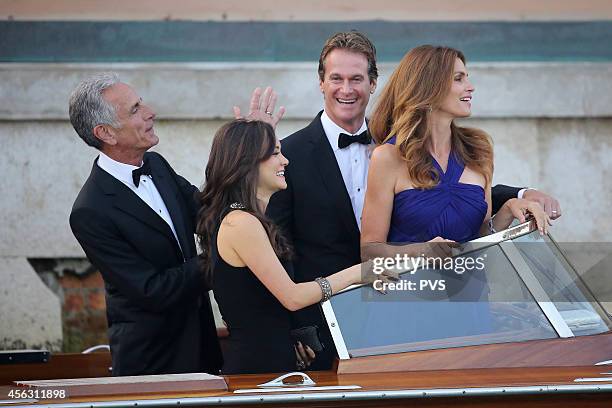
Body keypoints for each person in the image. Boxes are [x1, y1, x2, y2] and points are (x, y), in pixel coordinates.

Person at [266, 31, 561, 370]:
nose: (346, 89)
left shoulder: (411, 141)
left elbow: (469, 225)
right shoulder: (290, 156)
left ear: (374, 83)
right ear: (321, 82)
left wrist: (517, 200)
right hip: (350, 313)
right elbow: (279, 247)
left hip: (467, 307)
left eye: (357, 79)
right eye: (336, 78)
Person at [195, 119, 386, 375]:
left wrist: (291, 340)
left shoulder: (251, 220)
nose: (285, 161)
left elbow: (266, 305)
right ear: (247, 162)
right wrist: (359, 273)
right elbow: (292, 297)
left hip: (277, 367)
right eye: (275, 153)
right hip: (255, 374)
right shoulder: (240, 223)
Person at [68, 73, 223, 376]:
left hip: (203, 346)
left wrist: (248, 148)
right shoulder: (90, 211)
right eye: (135, 109)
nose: (150, 112)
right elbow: (152, 290)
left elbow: (210, 214)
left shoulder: (157, 165)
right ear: (106, 133)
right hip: (153, 362)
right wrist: (224, 257)